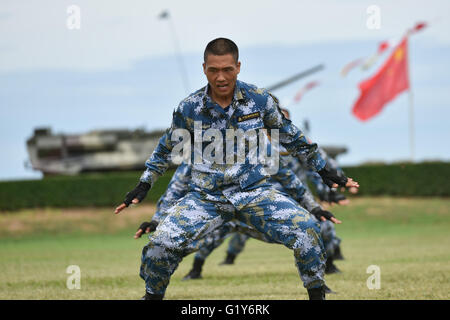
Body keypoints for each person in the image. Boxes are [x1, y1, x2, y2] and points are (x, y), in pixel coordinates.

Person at [114, 38, 359, 300]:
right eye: (213, 70)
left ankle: (316, 295)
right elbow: (166, 149)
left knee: (308, 229)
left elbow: (291, 137)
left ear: (238, 67)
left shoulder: (258, 100)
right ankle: (152, 297)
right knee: (160, 246)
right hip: (206, 198)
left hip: (255, 194)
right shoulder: (189, 108)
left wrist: (324, 171)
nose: (221, 77)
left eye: (227, 69)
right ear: (204, 68)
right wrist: (144, 184)